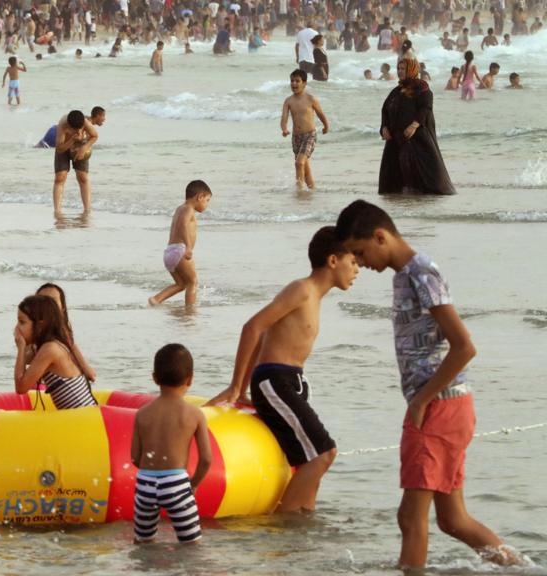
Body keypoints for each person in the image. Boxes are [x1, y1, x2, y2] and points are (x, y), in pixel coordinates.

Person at [334, 200, 524, 570]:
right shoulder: (404, 274)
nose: (361, 263)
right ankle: (522, 568)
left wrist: (422, 400)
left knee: (410, 517)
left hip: (439, 407)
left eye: (360, 252)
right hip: (445, 406)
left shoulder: (421, 271)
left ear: (380, 236)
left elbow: (464, 345)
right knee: (452, 520)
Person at [208, 227, 357, 511]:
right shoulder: (302, 290)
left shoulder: (315, 297)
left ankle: (304, 520)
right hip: (276, 381)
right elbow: (253, 327)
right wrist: (237, 386)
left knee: (308, 460)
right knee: (324, 454)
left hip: (291, 382)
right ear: (333, 260)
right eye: (354, 262)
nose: (358, 269)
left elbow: (265, 336)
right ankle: (287, 525)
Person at [131, 344, 210, 543]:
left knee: (143, 542)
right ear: (190, 379)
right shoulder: (194, 414)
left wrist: (152, 471)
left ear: (155, 378)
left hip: (146, 484)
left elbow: (134, 457)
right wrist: (193, 485)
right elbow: (206, 459)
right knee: (191, 545)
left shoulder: (142, 414)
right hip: (176, 483)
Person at [379, 59, 455, 195]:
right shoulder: (397, 91)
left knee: (416, 170)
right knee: (396, 174)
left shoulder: (422, 88)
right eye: (399, 68)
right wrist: (384, 127)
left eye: (403, 69)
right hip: (396, 139)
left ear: (412, 70)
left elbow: (425, 108)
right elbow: (385, 109)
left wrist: (414, 125)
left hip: (416, 138)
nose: (400, 71)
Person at [14, 295, 98, 409]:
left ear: (40, 325)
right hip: (80, 415)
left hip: (84, 416)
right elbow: (25, 360)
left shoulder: (50, 349)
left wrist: (21, 347)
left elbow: (21, 388)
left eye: (22, 322)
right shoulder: (48, 346)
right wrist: (23, 347)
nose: (17, 328)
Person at [149, 181, 212, 307]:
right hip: (180, 251)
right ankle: (190, 309)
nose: (207, 204)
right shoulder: (189, 209)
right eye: (207, 200)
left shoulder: (180, 208)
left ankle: (156, 299)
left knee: (181, 284)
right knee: (192, 282)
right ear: (200, 197)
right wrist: (188, 247)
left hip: (170, 252)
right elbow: (183, 225)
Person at [35, 283, 97, 381]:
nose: (48, 306)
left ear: (62, 308)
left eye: (53, 301)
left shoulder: (63, 336)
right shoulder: (33, 334)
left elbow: (90, 374)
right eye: (42, 301)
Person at [281, 69, 330, 190]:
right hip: (296, 138)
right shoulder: (288, 101)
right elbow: (284, 118)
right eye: (292, 81)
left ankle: (299, 191)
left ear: (304, 83)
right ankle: (312, 190)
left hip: (309, 136)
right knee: (305, 169)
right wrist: (284, 129)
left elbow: (321, 114)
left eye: (297, 81)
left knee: (299, 163)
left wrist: (326, 126)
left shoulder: (311, 99)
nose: (294, 84)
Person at [52, 110, 99, 216]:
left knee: (83, 177)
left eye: (80, 128)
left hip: (80, 146)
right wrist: (72, 140)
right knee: (60, 177)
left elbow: (95, 136)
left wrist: (85, 147)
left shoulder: (85, 122)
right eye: (75, 129)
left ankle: (87, 210)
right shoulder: (63, 124)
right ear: (69, 125)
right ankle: (57, 211)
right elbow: (59, 149)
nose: (78, 131)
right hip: (64, 146)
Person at [37, 106, 104, 149]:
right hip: (56, 134)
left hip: (54, 130)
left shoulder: (85, 119)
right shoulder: (87, 123)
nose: (104, 119)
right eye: (103, 116)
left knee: (38, 148)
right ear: (98, 116)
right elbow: (82, 139)